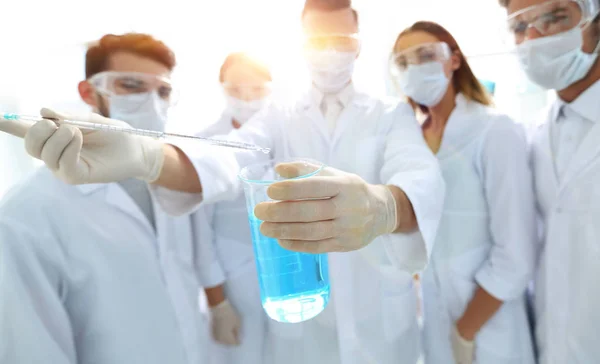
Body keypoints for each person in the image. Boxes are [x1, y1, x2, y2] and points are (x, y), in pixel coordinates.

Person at [0, 1, 446, 363]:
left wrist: (385, 206)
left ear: (359, 46)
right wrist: (149, 156)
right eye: (318, 39)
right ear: (301, 45)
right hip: (301, 327)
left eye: (341, 39)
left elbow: (420, 172)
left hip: (383, 323)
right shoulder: (279, 114)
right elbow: (229, 155)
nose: (330, 49)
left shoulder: (391, 114)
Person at [0, 33, 211, 364]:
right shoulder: (25, 217)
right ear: (89, 92)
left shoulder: (176, 181)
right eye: (131, 85)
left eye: (164, 91)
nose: (153, 104)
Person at [392, 21, 537, 364]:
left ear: (454, 59)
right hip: (436, 327)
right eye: (403, 62)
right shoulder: (409, 139)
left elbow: (515, 255)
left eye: (425, 55)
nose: (414, 67)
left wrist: (465, 331)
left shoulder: (495, 131)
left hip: (491, 330)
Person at [499, 0, 600, 362]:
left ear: (595, 21)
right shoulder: (533, 134)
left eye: (554, 18)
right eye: (519, 26)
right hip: (550, 345)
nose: (533, 38)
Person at [199, 52, 272, 364]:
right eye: (236, 89)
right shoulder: (205, 142)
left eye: (256, 89)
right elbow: (200, 232)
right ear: (221, 88)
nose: (247, 98)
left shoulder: (287, 136)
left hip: (285, 277)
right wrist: (218, 304)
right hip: (234, 286)